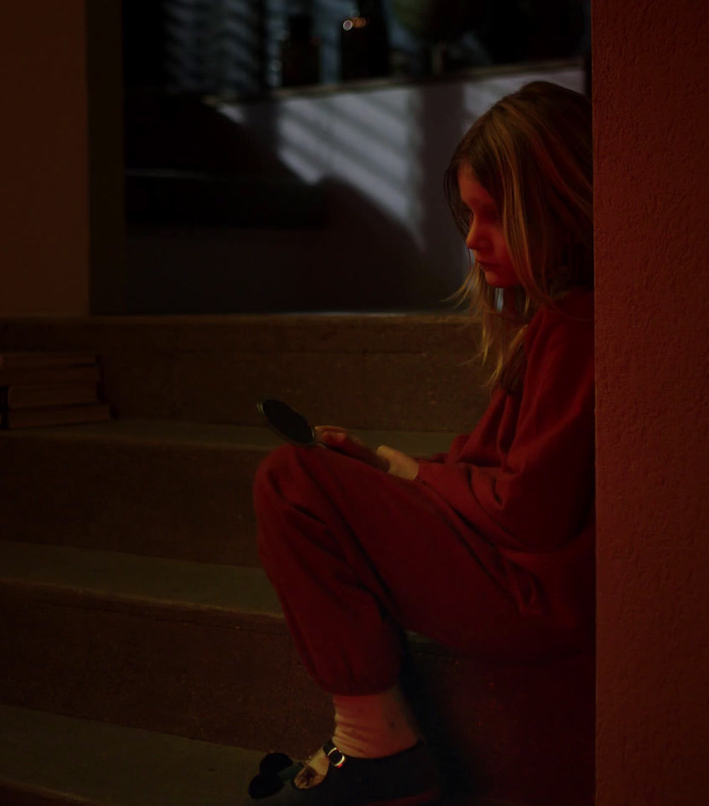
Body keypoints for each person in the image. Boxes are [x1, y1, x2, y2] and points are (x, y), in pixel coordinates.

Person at [246, 80, 596, 806]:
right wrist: (384, 466)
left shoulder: (577, 324)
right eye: (469, 215)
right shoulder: (554, 325)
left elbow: (524, 512)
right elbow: (484, 463)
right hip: (516, 571)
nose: (472, 239)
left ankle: (375, 747)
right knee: (309, 479)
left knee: (291, 482)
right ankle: (371, 741)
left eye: (493, 216)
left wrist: (402, 471)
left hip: (533, 593)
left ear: (558, 210)